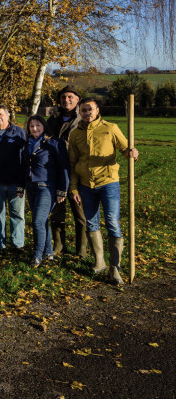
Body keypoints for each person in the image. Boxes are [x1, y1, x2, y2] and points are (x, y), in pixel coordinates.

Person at [68, 98, 139, 284]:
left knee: (112, 223)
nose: (86, 113)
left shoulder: (111, 128)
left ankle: (115, 267)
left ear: (97, 110)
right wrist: (74, 187)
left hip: (108, 182)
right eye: (83, 110)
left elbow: (125, 148)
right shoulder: (74, 135)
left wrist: (132, 153)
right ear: (79, 112)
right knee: (91, 223)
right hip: (85, 185)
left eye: (90, 109)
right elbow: (73, 164)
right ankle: (99, 262)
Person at [22, 115, 70, 267]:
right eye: (31, 126)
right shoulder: (27, 144)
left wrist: (63, 190)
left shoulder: (54, 143)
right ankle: (49, 252)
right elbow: (23, 166)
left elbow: (64, 167)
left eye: (38, 125)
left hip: (47, 187)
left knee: (37, 222)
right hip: (31, 186)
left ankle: (37, 255)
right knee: (42, 221)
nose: (34, 128)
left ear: (44, 126)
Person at [47, 85, 87, 256]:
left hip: (77, 172)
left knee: (80, 213)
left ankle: (81, 249)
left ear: (77, 99)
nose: (67, 100)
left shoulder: (83, 120)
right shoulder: (52, 120)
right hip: (55, 172)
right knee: (57, 212)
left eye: (70, 97)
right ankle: (59, 245)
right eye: (63, 97)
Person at [0, 104, 26, 250]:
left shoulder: (19, 132)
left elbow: (25, 157)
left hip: (15, 181)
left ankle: (17, 244)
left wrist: (23, 179)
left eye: (1, 114)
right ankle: (0, 243)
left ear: (8, 115)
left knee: (17, 214)